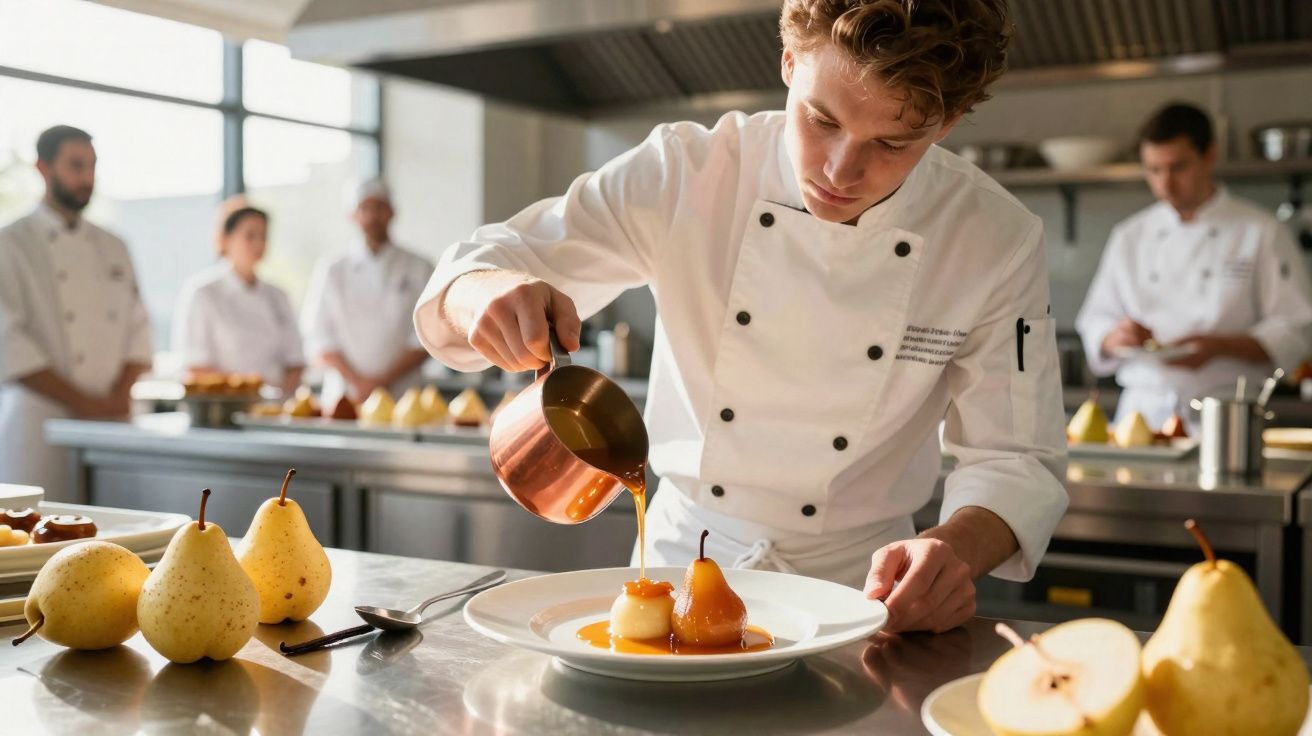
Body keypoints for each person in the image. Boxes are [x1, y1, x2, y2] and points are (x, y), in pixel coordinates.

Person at [415, 0, 1068, 634]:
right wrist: (484, 293)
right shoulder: (686, 172)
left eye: (893, 142)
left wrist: (952, 549)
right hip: (675, 569)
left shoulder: (991, 238)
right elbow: (474, 277)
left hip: (859, 595)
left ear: (947, 122)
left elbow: (1014, 458)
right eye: (820, 119)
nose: (841, 169)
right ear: (788, 63)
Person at [1076, 103, 1312, 428]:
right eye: (1154, 170)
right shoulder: (1130, 235)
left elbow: (1295, 329)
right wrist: (1116, 336)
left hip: (1226, 414)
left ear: (1210, 155)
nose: (1165, 184)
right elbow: (1094, 321)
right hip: (1142, 414)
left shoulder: (1261, 231)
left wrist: (1219, 347)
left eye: (1178, 168)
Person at [0, 125, 152, 497]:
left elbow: (138, 326)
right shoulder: (10, 243)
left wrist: (118, 396)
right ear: (43, 168)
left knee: (119, 538)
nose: (87, 177)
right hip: (39, 422)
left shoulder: (114, 245)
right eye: (76, 165)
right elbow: (8, 338)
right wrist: (85, 404)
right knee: (34, 536)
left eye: (92, 166)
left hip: (113, 420)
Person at [302, 179, 432, 403]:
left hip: (404, 396)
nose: (372, 216)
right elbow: (318, 336)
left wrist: (382, 381)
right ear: (352, 216)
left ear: (391, 212)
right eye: (365, 208)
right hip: (345, 397)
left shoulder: (420, 267)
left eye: (379, 208)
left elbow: (429, 334)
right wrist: (358, 382)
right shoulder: (332, 270)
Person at [172, 200, 305, 393]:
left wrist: (276, 396)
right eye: (250, 236)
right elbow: (196, 366)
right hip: (223, 408)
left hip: (275, 409)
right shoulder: (204, 293)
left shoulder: (278, 296)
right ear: (225, 239)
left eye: (263, 236)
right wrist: (247, 390)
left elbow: (295, 361)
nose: (259, 244)